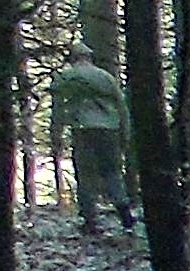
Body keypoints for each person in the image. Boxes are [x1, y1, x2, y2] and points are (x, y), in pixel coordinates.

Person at [48, 48, 129, 235]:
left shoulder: (66, 78)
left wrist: (56, 134)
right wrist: (125, 133)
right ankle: (124, 213)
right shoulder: (106, 77)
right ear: (90, 57)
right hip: (109, 130)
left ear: (72, 58)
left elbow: (58, 109)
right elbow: (121, 106)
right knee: (112, 172)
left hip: (82, 130)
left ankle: (90, 220)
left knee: (85, 175)